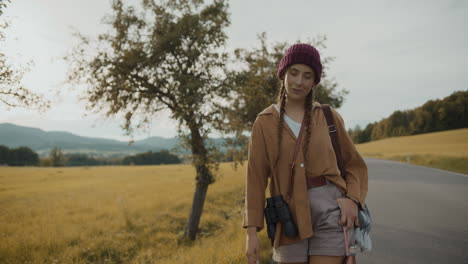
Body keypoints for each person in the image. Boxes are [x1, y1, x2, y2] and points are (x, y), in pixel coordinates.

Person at [243, 43, 368, 264]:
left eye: (307, 76)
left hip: (331, 213)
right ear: (283, 74)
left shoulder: (328, 117)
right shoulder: (264, 123)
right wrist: (251, 233)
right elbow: (255, 180)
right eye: (294, 73)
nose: (299, 82)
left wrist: (352, 199)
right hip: (288, 218)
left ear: (314, 81)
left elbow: (354, 165)